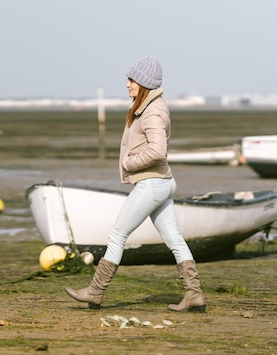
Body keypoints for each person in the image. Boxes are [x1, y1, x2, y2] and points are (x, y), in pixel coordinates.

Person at [64, 56, 206, 313]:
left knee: (118, 234)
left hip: (152, 184)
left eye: (131, 80)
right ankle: (194, 295)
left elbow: (158, 150)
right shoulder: (150, 107)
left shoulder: (152, 111)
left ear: (144, 83)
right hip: (161, 182)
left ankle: (95, 292)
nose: (127, 85)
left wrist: (130, 164)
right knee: (174, 239)